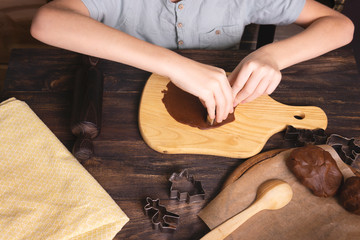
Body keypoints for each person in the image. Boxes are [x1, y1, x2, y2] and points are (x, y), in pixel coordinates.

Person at [30, 0, 354, 124]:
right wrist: (175, 65)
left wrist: (273, 55)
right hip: (121, 102)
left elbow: (340, 25)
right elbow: (48, 21)